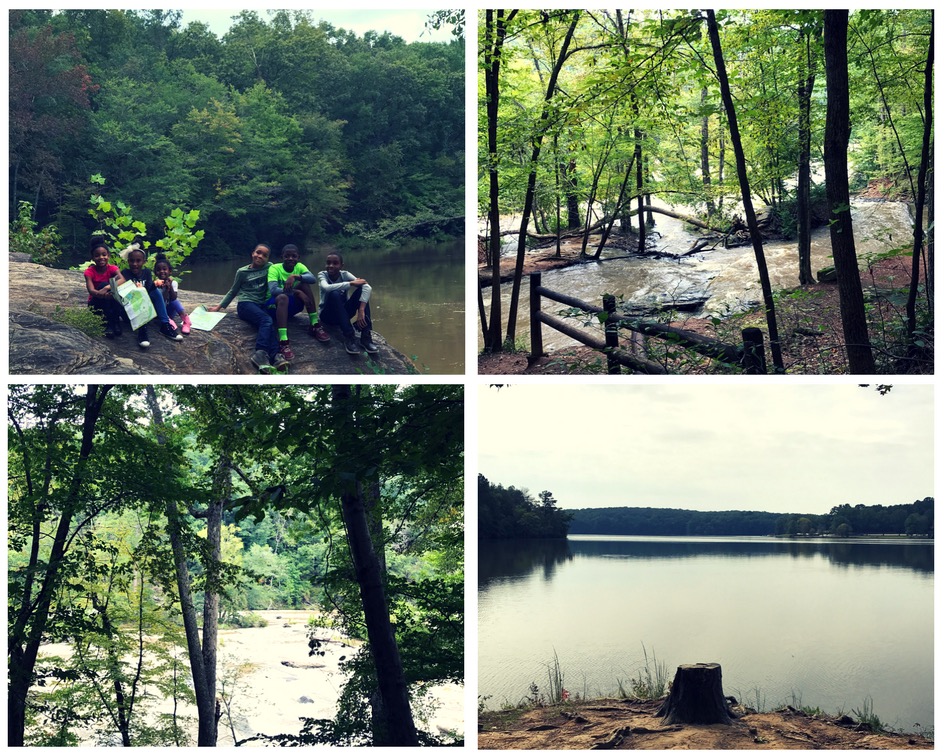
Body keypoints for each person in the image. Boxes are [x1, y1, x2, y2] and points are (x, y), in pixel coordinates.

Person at [207, 243, 288, 373]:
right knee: (266, 320)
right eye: (258, 252)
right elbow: (233, 291)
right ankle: (260, 354)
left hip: (261, 304)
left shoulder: (270, 268)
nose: (260, 256)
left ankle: (276, 357)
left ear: (268, 258)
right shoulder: (242, 272)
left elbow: (280, 277)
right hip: (246, 304)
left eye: (264, 255)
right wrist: (219, 306)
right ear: (252, 253)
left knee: (269, 322)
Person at [266, 243, 331, 361]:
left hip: (291, 308)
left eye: (293, 256)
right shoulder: (274, 268)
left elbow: (312, 279)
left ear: (298, 257)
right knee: (282, 297)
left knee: (304, 284)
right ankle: (283, 341)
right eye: (287, 256)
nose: (290, 258)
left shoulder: (299, 266)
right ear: (282, 257)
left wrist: (296, 276)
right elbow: (274, 290)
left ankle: (314, 325)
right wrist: (297, 292)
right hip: (274, 308)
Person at [117, 245, 183, 348]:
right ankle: (142, 330)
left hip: (145, 310)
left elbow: (150, 293)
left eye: (138, 261)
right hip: (130, 313)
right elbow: (123, 295)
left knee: (154, 291)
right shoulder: (125, 273)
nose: (135, 264)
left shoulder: (146, 273)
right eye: (132, 261)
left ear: (144, 262)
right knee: (138, 296)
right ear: (128, 261)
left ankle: (165, 325)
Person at [317, 252, 378, 355]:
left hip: (343, 315)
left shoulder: (345, 274)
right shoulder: (322, 274)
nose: (331, 266)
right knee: (334, 294)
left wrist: (361, 310)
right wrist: (350, 283)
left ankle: (366, 337)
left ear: (341, 265)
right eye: (328, 263)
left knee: (361, 291)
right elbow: (326, 288)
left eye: (335, 263)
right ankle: (349, 336)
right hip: (327, 316)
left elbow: (367, 287)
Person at [83, 238, 123, 337]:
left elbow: (122, 279)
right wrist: (102, 294)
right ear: (92, 258)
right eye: (97, 255)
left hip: (110, 297)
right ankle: (107, 324)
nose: (101, 258)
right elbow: (91, 290)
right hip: (96, 303)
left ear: (108, 255)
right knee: (103, 285)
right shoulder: (89, 272)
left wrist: (107, 288)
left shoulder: (113, 268)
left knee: (114, 288)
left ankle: (115, 321)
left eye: (104, 255)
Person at [153, 254, 192, 334]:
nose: (162, 271)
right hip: (160, 313)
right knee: (159, 300)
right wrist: (162, 289)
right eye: (158, 270)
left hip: (170, 311)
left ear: (170, 271)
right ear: (155, 273)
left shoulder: (173, 283)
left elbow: (173, 298)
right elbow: (160, 301)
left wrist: (169, 286)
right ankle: (168, 322)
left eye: (164, 269)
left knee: (176, 302)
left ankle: (186, 321)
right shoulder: (155, 284)